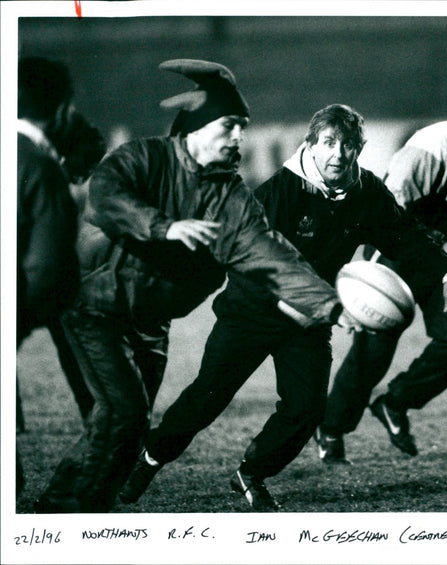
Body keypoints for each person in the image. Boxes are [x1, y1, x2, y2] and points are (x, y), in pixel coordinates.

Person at [118, 104, 447, 511]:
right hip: (251, 312)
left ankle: (251, 473)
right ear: (311, 144)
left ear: (359, 149)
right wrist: (316, 306)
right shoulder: (276, 193)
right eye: (329, 143)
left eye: (348, 145)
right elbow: (252, 264)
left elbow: (406, 238)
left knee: (307, 409)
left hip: (310, 322)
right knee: (206, 400)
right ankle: (151, 458)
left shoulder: (366, 193)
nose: (338, 153)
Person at [34, 59, 345, 513]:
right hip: (96, 309)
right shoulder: (144, 156)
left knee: (121, 426)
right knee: (124, 415)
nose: (240, 137)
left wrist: (332, 305)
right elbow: (106, 196)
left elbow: (272, 255)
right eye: (231, 126)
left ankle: (56, 511)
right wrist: (163, 227)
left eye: (243, 127)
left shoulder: (231, 196)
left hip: (151, 323)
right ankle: (71, 519)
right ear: (197, 129)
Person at [315, 73, 447, 462]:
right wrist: (443, 244)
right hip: (398, 254)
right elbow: (388, 215)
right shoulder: (429, 147)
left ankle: (394, 403)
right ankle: (330, 429)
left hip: (444, 264)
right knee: (373, 351)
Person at [16, 57, 101, 492]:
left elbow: (91, 143)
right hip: (39, 279)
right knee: (73, 333)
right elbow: (48, 269)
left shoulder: (37, 151)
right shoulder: (34, 163)